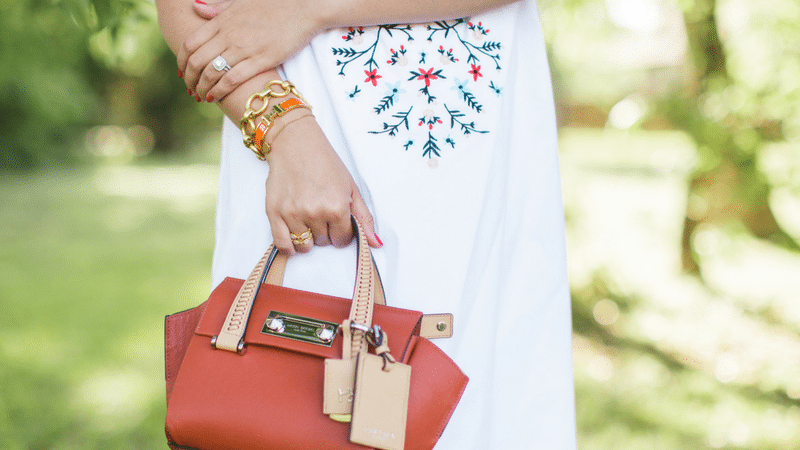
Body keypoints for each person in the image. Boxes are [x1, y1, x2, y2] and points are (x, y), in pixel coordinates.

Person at [155, 0, 577, 447]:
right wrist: (284, 129)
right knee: (280, 398)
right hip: (301, 143)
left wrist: (306, 10)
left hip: (482, 162)